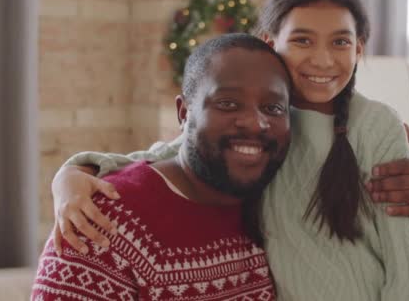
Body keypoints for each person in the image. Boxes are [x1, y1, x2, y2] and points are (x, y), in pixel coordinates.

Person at [49, 0, 409, 300]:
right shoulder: (271, 127)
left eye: (340, 42)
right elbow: (177, 149)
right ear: (271, 43)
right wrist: (74, 171)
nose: (322, 58)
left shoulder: (376, 125)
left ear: (359, 50)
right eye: (302, 40)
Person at [32, 34, 292, 300]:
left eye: (273, 107)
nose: (254, 123)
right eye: (228, 103)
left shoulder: (274, 210)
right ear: (183, 113)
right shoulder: (100, 225)